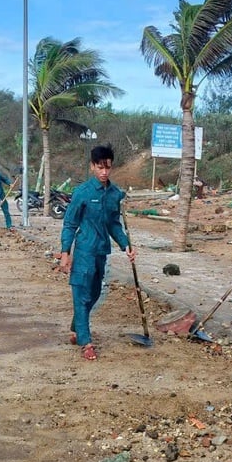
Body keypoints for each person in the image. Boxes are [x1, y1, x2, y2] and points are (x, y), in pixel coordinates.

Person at [59, 144, 136, 361]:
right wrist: (65, 252)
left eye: (108, 168)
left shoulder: (114, 194)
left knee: (94, 294)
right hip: (84, 251)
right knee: (81, 294)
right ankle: (86, 341)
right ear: (92, 166)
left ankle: (77, 324)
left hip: (102, 252)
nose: (104, 172)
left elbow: (114, 224)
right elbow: (70, 224)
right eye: (100, 167)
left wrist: (125, 244)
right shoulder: (82, 192)